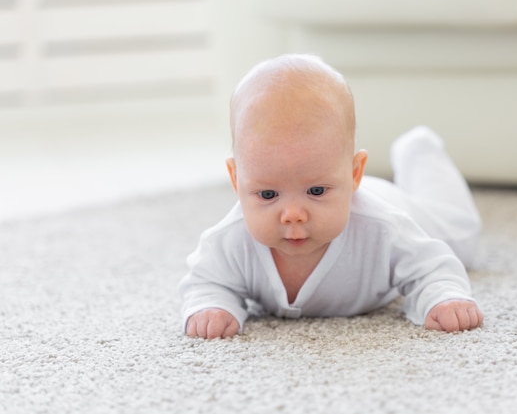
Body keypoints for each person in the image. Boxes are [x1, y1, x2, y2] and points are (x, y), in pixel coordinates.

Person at [179, 53, 484, 339]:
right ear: (236, 179)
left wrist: (443, 298)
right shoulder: (230, 240)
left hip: (398, 204)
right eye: (268, 194)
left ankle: (419, 151)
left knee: (461, 238)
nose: (293, 213)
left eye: (316, 190)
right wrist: (211, 307)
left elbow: (432, 268)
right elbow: (207, 282)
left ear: (353, 175)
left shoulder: (384, 229)